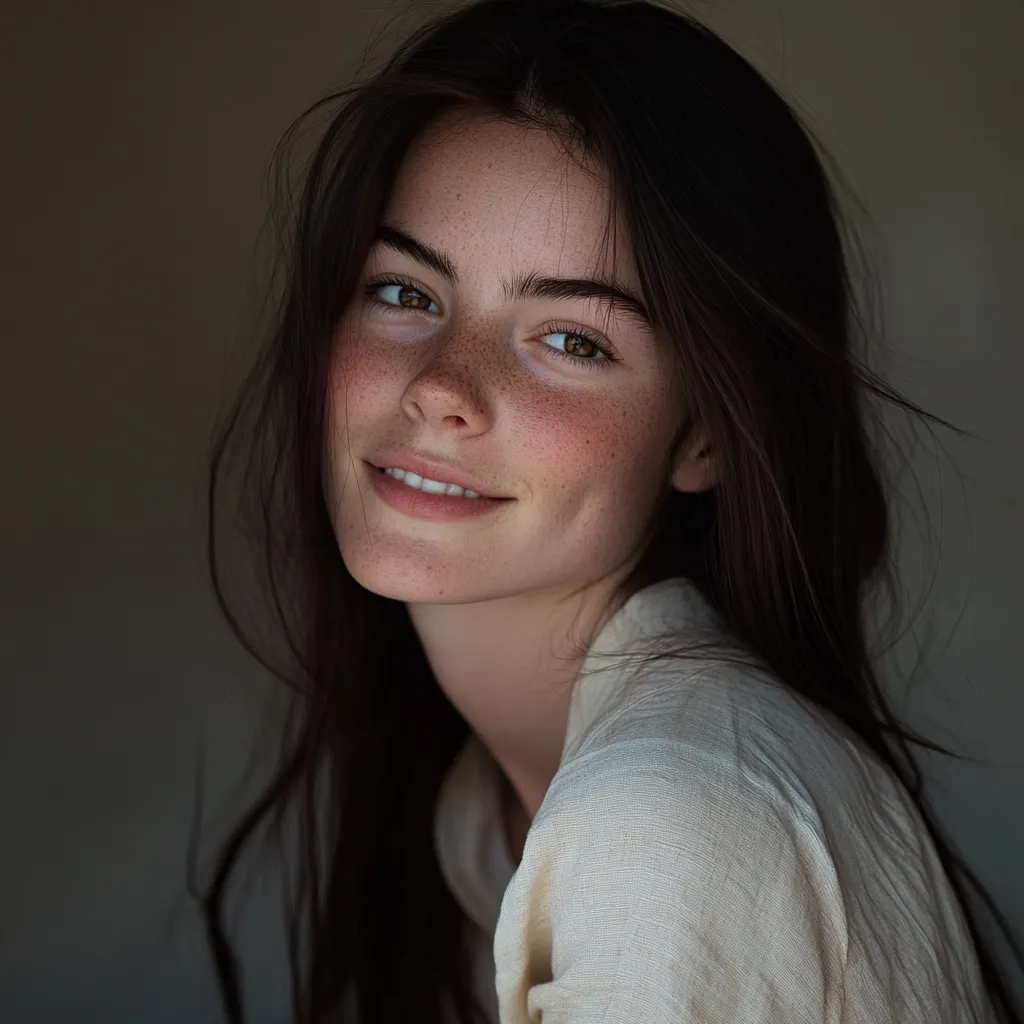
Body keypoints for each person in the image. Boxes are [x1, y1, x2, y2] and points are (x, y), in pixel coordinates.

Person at [197, 0, 1024, 1022]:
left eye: (572, 340)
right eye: (405, 293)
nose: (441, 386)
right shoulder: (488, 811)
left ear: (703, 435)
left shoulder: (661, 819)